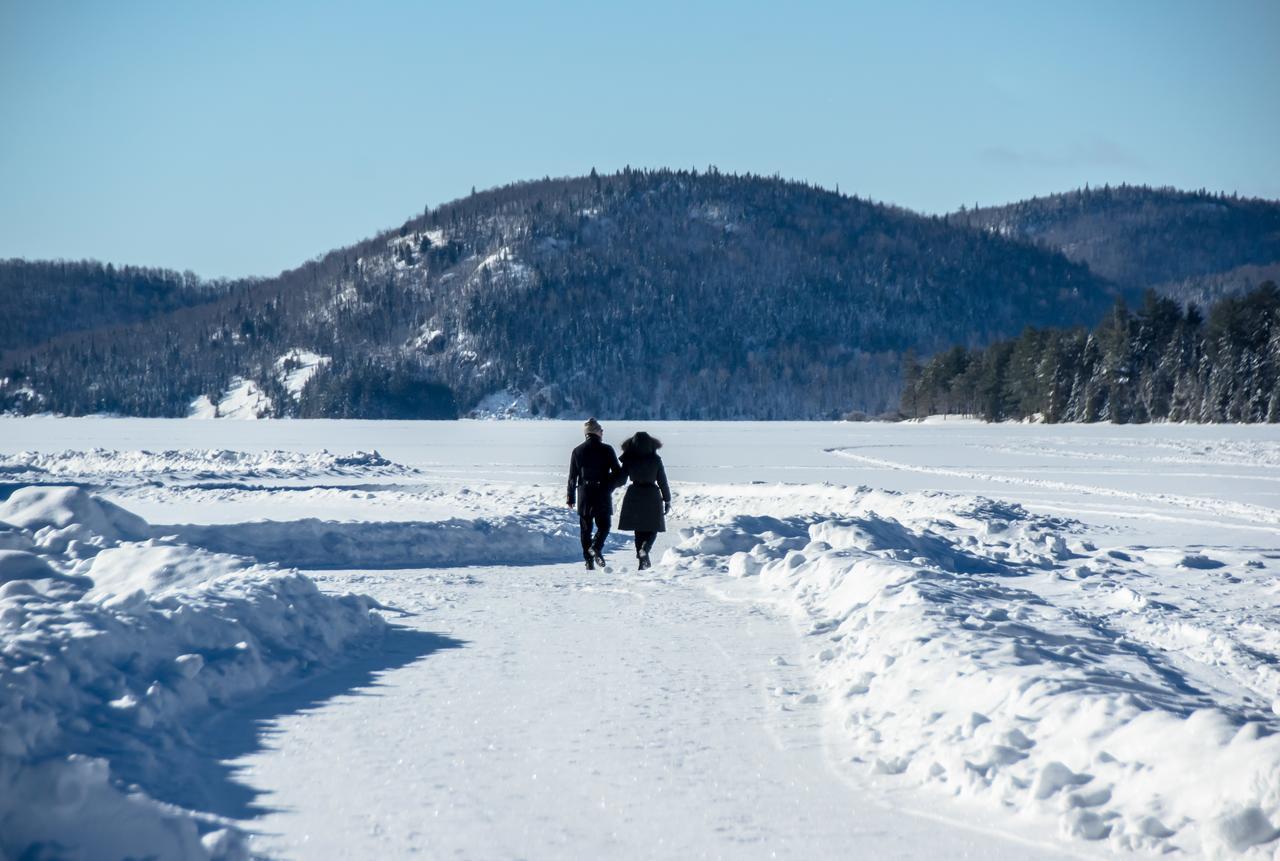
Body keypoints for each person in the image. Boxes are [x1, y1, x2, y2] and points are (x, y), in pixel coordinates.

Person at [566, 417, 622, 570]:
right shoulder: (607, 449)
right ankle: (596, 548)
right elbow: (617, 473)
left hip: (583, 493)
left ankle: (588, 561)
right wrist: (609, 485)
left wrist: (570, 497)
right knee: (604, 525)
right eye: (601, 430)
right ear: (596, 432)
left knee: (585, 529)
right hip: (601, 492)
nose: (603, 432)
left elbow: (572, 476)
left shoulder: (577, 451)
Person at [617, 431, 671, 570]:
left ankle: (642, 560)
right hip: (652, 494)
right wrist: (667, 500)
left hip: (634, 494)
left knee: (638, 529)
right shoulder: (656, 460)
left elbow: (621, 479)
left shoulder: (629, 458)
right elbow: (663, 482)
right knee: (652, 527)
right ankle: (645, 550)